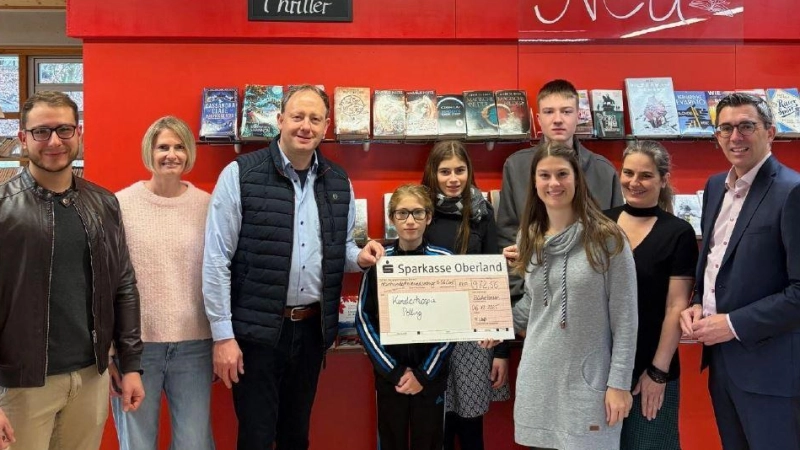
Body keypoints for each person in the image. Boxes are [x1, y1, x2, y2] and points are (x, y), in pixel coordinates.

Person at [203, 84, 383, 450]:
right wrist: (223, 337)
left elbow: (342, 249)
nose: (306, 126)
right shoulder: (240, 174)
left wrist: (360, 258)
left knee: (296, 436)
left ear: (326, 126)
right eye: (298, 116)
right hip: (256, 335)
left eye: (315, 119)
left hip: (311, 331)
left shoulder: (338, 181)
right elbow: (217, 259)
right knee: (255, 438)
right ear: (280, 119)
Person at [0, 90, 144, 449]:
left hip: (90, 377)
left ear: (78, 133)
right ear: (23, 138)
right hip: (21, 385)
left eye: (64, 130)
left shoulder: (104, 203)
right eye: (41, 131)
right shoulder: (4, 208)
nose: (54, 142)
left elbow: (123, 286)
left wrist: (131, 365)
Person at [680, 92, 800, 450]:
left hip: (772, 372)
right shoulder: (715, 186)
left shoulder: (792, 192)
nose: (735, 137)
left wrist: (732, 324)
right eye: (726, 128)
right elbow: (715, 260)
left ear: (770, 132)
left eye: (746, 126)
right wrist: (698, 302)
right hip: (722, 365)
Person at [509, 142, 637, 450]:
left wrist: (619, 384)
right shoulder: (528, 237)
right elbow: (534, 304)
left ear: (577, 179)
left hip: (589, 383)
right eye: (545, 175)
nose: (553, 183)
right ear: (534, 182)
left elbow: (625, 318)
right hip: (538, 380)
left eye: (562, 174)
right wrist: (494, 324)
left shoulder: (607, 238)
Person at [111, 116, 215, 450]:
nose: (172, 154)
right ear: (149, 152)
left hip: (194, 346)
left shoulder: (207, 206)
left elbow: (219, 272)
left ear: (189, 153)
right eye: (163, 147)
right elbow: (107, 280)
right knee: (137, 443)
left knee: (194, 443)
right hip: (136, 349)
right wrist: (111, 352)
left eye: (179, 147)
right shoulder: (120, 205)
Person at [604, 141, 699, 450]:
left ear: (663, 179)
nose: (635, 182)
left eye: (645, 175)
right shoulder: (599, 224)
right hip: (600, 367)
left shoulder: (678, 232)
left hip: (652, 366)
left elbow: (676, 306)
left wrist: (658, 372)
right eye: (628, 173)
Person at [497, 79, 623, 301]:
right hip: (532, 293)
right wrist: (518, 296)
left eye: (566, 111)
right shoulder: (516, 167)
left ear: (578, 116)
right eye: (549, 112)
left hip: (590, 292)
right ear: (539, 119)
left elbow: (615, 240)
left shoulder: (604, 171)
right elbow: (508, 236)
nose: (557, 119)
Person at [420, 140, 509, 450]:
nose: (453, 179)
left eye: (460, 170)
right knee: (437, 426)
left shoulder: (482, 211)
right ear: (433, 173)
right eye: (445, 171)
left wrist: (501, 351)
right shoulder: (420, 212)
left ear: (469, 171)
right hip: (431, 335)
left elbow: (496, 279)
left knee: (471, 427)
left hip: (475, 337)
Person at [355, 183, 454, 450]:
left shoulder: (445, 261)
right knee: (391, 441)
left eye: (418, 213)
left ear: (428, 217)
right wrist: (394, 370)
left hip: (430, 376)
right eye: (402, 213)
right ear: (392, 218)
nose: (410, 221)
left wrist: (423, 374)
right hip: (390, 376)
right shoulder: (378, 261)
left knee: (430, 441)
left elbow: (454, 322)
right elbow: (363, 319)